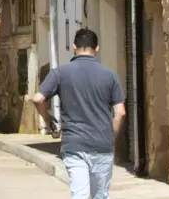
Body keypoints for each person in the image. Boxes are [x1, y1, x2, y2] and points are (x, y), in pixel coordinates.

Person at [33, 28, 126, 199]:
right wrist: (111, 138)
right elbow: (120, 113)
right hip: (102, 145)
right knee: (100, 195)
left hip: (74, 145)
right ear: (97, 48)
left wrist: (49, 122)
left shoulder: (60, 73)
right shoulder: (110, 76)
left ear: (74, 47)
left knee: (80, 195)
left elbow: (38, 99)